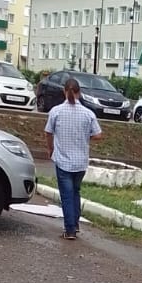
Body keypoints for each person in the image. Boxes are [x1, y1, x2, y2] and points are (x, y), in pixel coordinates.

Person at [44, 77, 102, 239]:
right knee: (76, 192)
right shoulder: (88, 113)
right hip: (81, 162)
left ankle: (69, 229)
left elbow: (48, 132)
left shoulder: (56, 111)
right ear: (79, 92)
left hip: (63, 161)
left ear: (64, 91)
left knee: (67, 195)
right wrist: (85, 136)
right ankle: (75, 224)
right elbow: (98, 135)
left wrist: (51, 148)